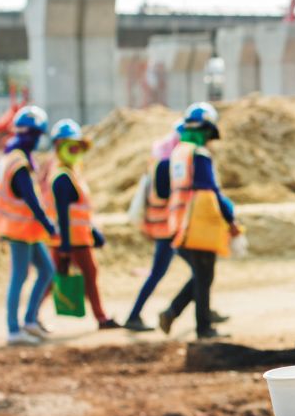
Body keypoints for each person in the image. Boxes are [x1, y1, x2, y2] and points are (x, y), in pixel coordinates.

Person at [124, 125, 231, 332]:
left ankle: (186, 312)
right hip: (173, 229)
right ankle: (142, 314)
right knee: (194, 273)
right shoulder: (178, 163)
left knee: (200, 273)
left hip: (172, 227)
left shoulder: (166, 163)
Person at [158, 102, 239, 340]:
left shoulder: (179, 153)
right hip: (199, 224)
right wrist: (229, 216)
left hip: (180, 222)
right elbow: (209, 191)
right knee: (204, 276)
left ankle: (172, 312)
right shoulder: (200, 155)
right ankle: (203, 328)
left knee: (201, 275)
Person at [41, 119, 121, 330]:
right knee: (82, 275)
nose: (74, 150)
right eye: (69, 145)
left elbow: (79, 211)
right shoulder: (62, 178)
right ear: (59, 147)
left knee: (55, 277)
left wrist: (93, 231)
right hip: (70, 239)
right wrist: (66, 246)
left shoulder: (70, 175)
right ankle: (101, 318)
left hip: (76, 237)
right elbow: (63, 215)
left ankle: (32, 317)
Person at [0, 105, 57, 346]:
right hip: (19, 229)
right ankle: (13, 329)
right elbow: (30, 200)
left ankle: (30, 320)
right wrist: (49, 225)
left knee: (47, 270)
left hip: (27, 230)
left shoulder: (13, 157)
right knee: (19, 276)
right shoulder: (18, 162)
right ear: (32, 135)